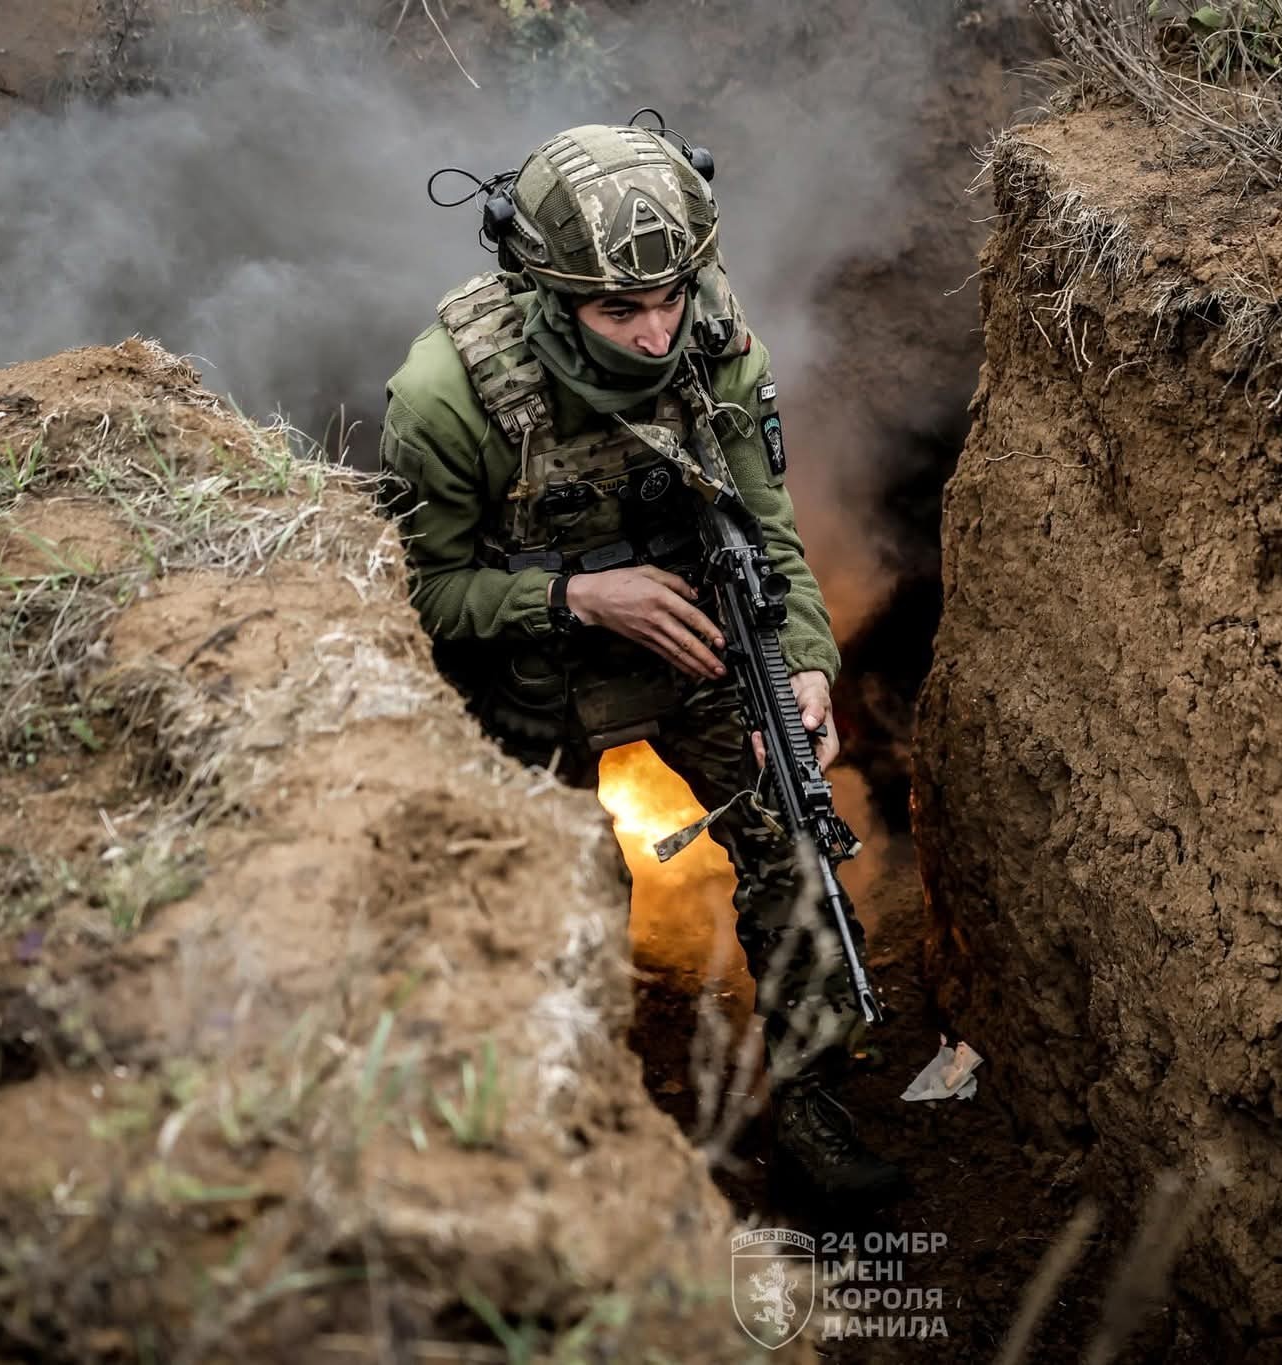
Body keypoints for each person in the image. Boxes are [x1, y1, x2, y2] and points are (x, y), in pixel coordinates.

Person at [378, 122, 903, 1202]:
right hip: (526, 668)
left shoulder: (716, 345)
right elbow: (417, 594)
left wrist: (804, 666)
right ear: (547, 290)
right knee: (565, 890)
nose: (658, 331)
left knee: (793, 832)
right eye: (620, 310)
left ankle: (810, 1103)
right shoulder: (447, 398)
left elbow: (767, 531)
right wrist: (574, 596)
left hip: (694, 643)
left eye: (671, 295)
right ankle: (567, 1124)